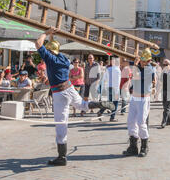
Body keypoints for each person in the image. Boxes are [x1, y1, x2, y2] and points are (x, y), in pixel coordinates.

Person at [35, 27, 115, 166]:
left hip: (59, 93)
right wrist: (52, 38)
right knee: (82, 105)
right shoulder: (64, 59)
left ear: (49, 50)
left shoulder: (51, 59)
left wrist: (45, 33)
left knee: (61, 124)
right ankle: (99, 104)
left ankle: (62, 157)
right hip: (69, 88)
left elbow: (38, 44)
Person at [122, 48, 155, 158]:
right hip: (134, 98)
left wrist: (135, 66)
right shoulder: (139, 67)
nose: (142, 62)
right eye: (142, 60)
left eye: (144, 61)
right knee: (131, 121)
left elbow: (137, 76)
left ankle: (144, 147)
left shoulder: (150, 69)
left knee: (141, 122)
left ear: (149, 61)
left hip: (143, 99)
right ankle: (133, 147)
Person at [97, 57, 121, 122]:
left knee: (108, 102)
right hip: (115, 88)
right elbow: (118, 81)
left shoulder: (108, 69)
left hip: (108, 87)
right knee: (114, 103)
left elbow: (104, 79)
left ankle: (100, 112)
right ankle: (112, 117)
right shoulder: (118, 69)